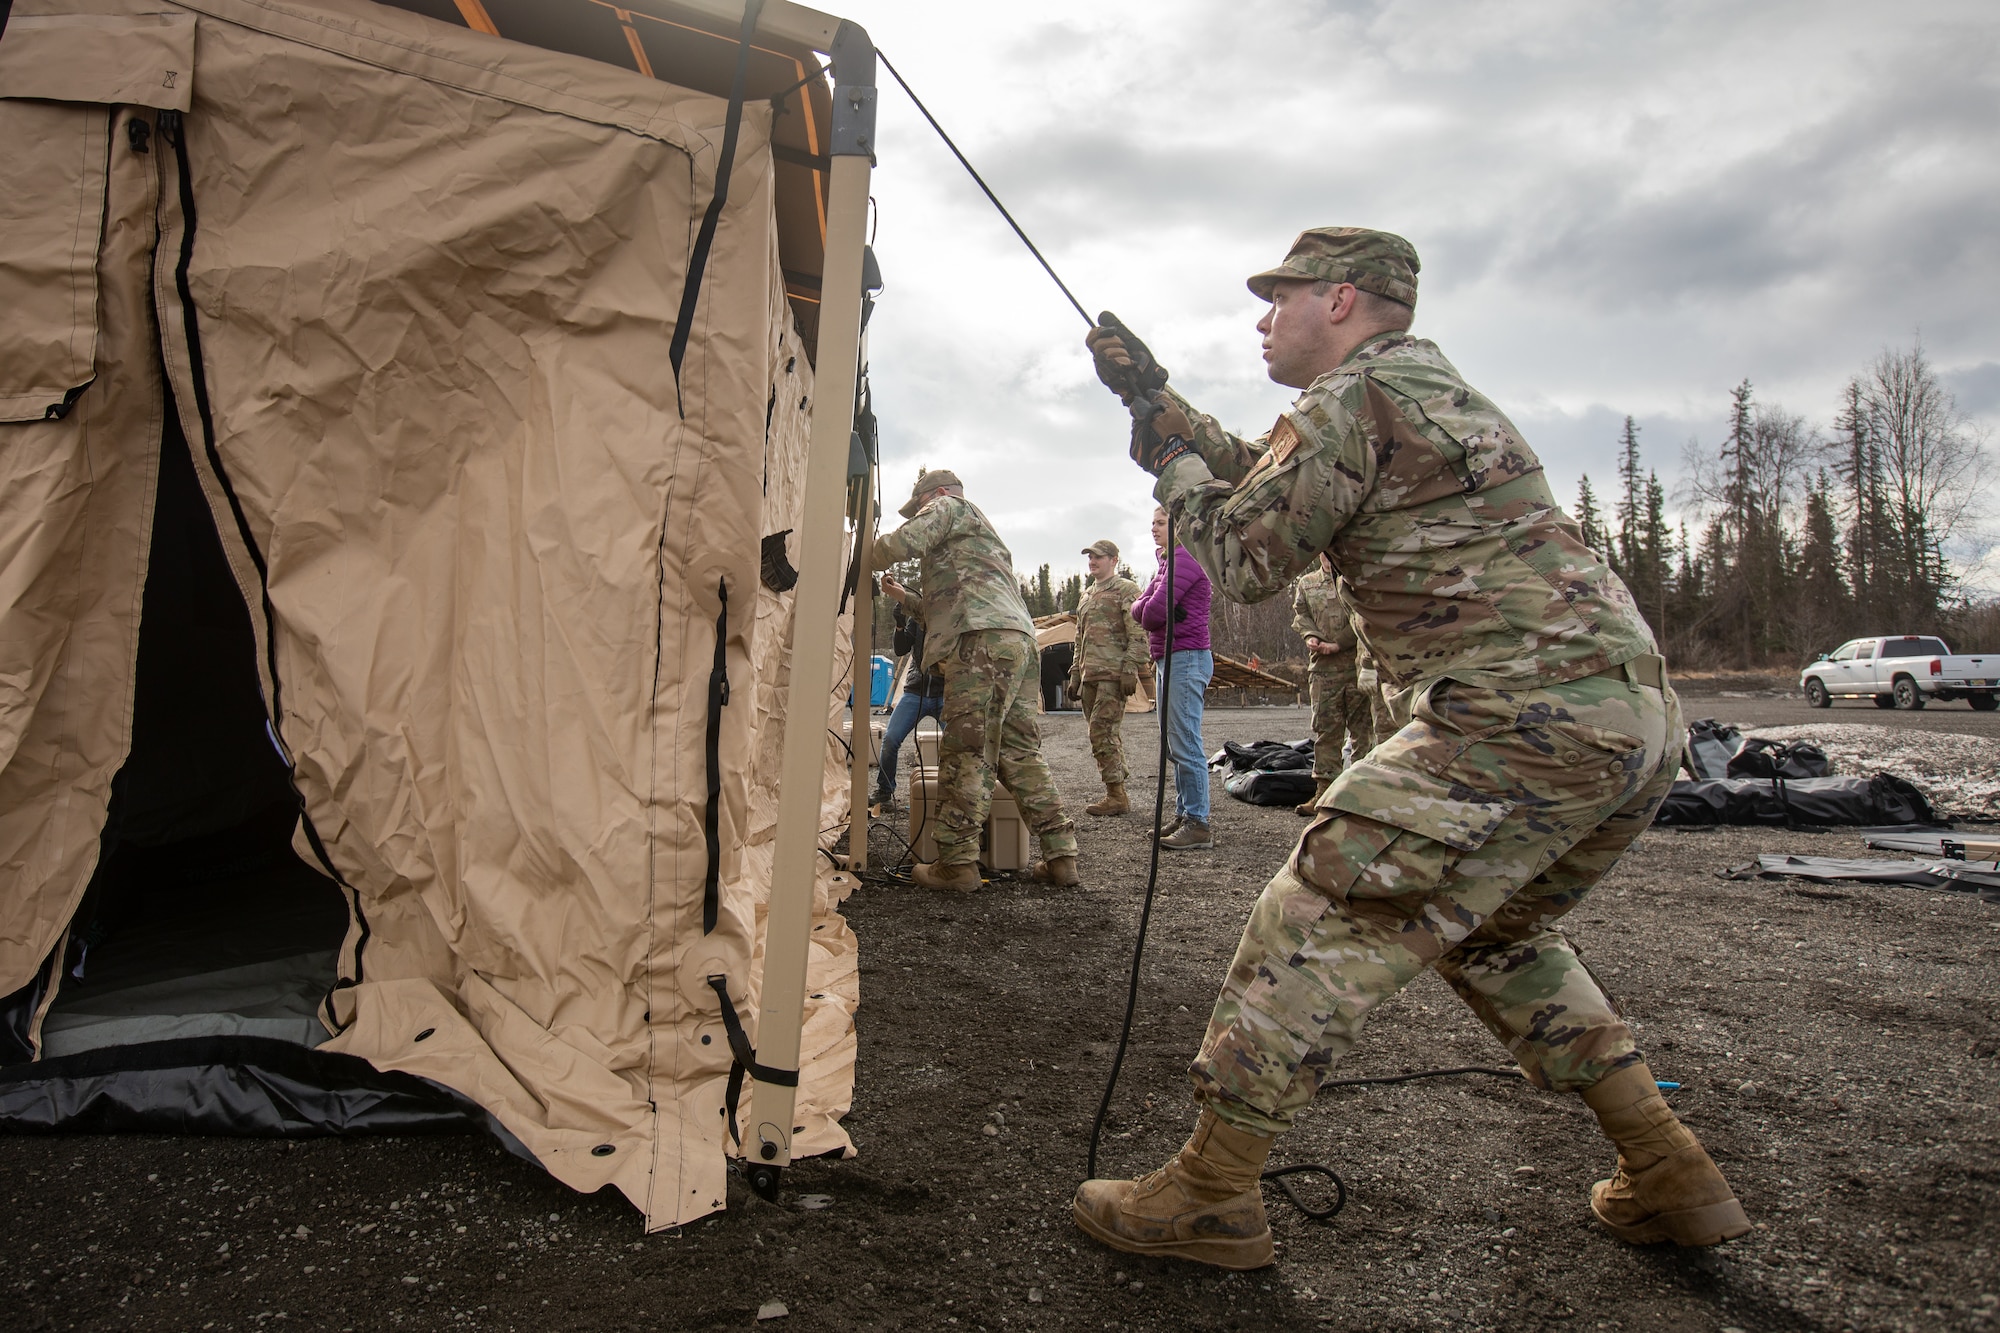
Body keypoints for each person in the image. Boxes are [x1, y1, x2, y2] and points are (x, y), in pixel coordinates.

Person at [1073, 227, 1745, 1269]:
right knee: (1492, 932)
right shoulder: (1421, 393)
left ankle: (1209, 1191)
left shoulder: (1350, 398)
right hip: (1626, 717)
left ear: (1340, 300)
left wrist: (1169, 462)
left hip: (1515, 713)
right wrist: (1155, 403)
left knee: (1318, 905)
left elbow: (1248, 550)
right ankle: (1666, 1166)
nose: (1262, 318)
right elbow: (1277, 487)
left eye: (1279, 297)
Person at [869, 469, 1079, 890]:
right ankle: (1061, 855)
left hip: (979, 643)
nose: (920, 513)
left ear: (940, 493)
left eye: (920, 505)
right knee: (1019, 750)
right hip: (1014, 640)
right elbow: (940, 608)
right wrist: (901, 596)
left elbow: (902, 542)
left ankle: (957, 863)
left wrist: (856, 558)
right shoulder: (980, 544)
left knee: (967, 748)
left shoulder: (950, 506)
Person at [1131, 506, 1214, 850]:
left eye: (1161, 523)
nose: (1153, 528)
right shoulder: (1167, 563)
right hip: (1170, 657)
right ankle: (1184, 814)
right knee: (1174, 742)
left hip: (1186, 657)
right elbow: (1139, 607)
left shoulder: (1187, 560)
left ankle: (1198, 822)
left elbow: (1150, 614)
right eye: (1152, 523)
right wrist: (1150, 604)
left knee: (1185, 741)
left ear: (1178, 526)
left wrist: (1152, 606)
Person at [1068, 540, 1148, 816]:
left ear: (1114, 560)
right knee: (1103, 734)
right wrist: (1075, 674)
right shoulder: (1086, 595)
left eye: (1098, 557)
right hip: (1090, 675)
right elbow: (1080, 637)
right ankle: (1116, 792)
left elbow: (1138, 631)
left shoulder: (1126, 590)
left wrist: (1130, 668)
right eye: (1090, 556)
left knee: (1101, 731)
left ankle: (1116, 795)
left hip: (1113, 675)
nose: (1092, 561)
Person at [1290, 555, 1373, 814]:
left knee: (1363, 732)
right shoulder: (1307, 583)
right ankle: (1325, 792)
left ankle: (1362, 793)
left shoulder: (1355, 581)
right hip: (1324, 670)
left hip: (1357, 665)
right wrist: (1311, 636)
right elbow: (1301, 614)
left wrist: (1339, 643)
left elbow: (1364, 615)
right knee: (1326, 731)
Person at [869, 576, 945, 812]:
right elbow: (901, 648)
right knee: (890, 740)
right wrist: (900, 624)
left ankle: (954, 795)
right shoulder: (917, 616)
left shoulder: (953, 617)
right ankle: (885, 791)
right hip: (916, 691)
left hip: (947, 692)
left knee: (961, 744)